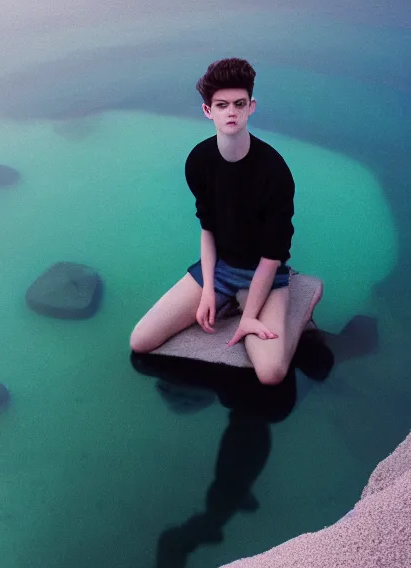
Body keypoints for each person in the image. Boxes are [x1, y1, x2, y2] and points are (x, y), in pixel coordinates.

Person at [130, 57, 322, 385]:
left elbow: (271, 256)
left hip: (265, 272)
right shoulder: (199, 161)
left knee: (271, 373)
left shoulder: (274, 172)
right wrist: (207, 292)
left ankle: (296, 307)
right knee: (141, 340)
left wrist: (249, 319)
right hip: (220, 270)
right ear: (208, 111)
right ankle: (228, 301)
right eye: (221, 105)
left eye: (238, 104)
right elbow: (207, 230)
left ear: (251, 107)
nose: (230, 112)